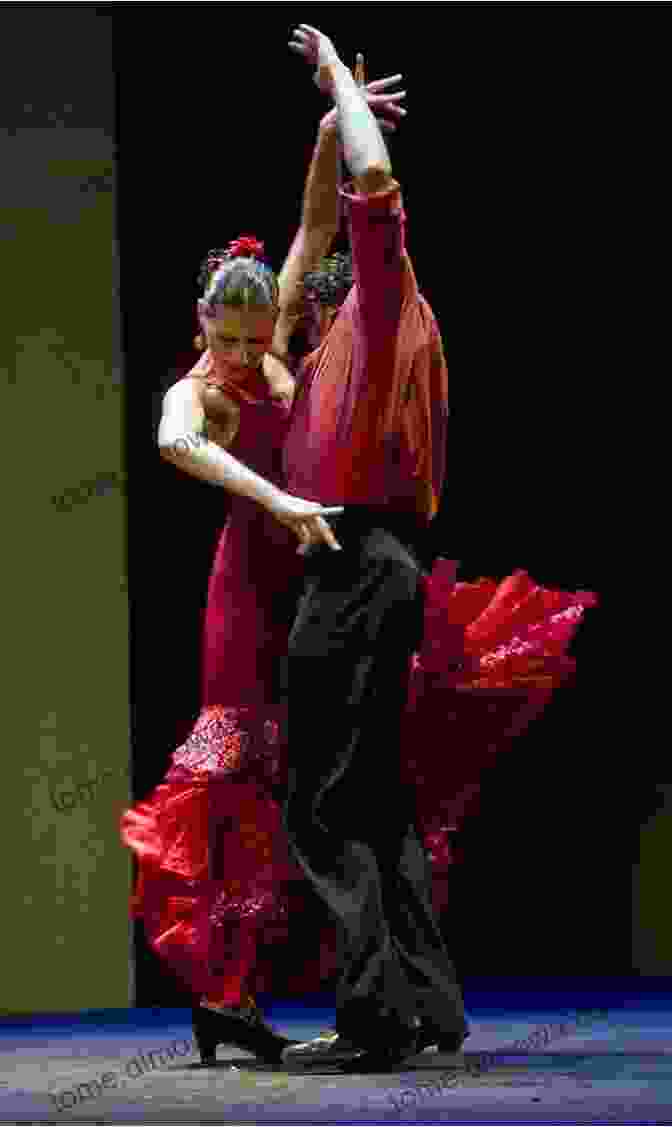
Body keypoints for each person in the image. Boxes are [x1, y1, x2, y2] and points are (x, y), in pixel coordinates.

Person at [277, 25, 597, 1071]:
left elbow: (368, 192)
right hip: (389, 567)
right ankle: (429, 1007)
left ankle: (372, 1020)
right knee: (374, 797)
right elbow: (328, 205)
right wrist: (329, 126)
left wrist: (338, 87)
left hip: (355, 564)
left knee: (323, 805)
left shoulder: (374, 313)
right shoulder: (367, 329)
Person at [120, 63, 412, 1066]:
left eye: (256, 334)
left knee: (302, 798)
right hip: (247, 595)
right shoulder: (205, 387)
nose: (247, 349)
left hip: (308, 587)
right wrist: (281, 497)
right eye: (230, 334)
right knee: (236, 803)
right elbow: (172, 442)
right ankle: (223, 991)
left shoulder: (280, 328)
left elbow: (316, 230)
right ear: (203, 322)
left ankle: (245, 994)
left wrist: (338, 126)